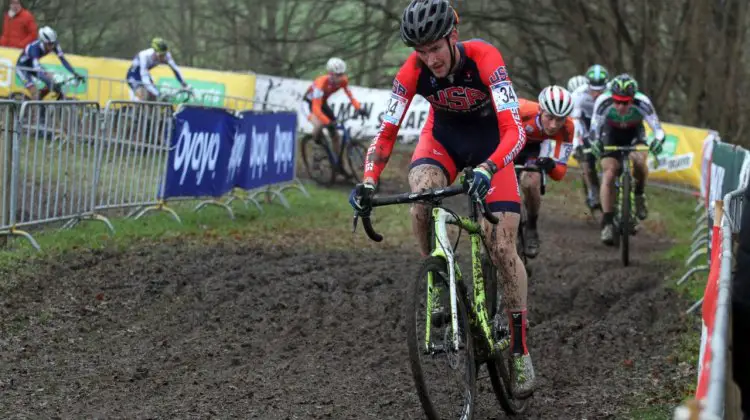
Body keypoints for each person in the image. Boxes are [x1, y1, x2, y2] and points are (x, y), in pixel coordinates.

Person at [349, 0, 535, 398]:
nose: (429, 58)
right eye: (421, 50)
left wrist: (489, 168)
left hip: (493, 146)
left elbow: (515, 131)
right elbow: (385, 133)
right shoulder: (412, 71)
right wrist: (368, 181)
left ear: (453, 36)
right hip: (443, 141)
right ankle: (438, 278)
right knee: (421, 197)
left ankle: (520, 348)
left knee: (501, 246)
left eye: (435, 47)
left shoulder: (485, 57)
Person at [589, 73, 666, 245]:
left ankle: (639, 194)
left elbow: (658, 129)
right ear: (611, 97)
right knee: (609, 173)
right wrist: (595, 143)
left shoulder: (643, 102)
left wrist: (658, 141)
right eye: (617, 101)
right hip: (611, 134)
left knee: (639, 161)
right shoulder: (603, 101)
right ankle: (607, 222)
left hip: (634, 133)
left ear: (633, 99)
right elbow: (594, 128)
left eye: (625, 102)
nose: (621, 106)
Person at [515, 86, 575, 258]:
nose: (554, 125)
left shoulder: (568, 128)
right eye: (549, 117)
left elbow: (559, 174)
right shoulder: (521, 110)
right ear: (541, 110)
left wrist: (551, 166)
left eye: (560, 119)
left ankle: (532, 227)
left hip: (536, 150)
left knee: (531, 180)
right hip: (513, 142)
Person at [302, 57, 365, 156]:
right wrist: (327, 122)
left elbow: (351, 96)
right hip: (309, 104)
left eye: (342, 74)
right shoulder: (320, 84)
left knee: (335, 134)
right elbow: (316, 108)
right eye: (338, 75)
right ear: (330, 74)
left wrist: (359, 108)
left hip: (322, 103)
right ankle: (316, 148)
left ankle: (337, 164)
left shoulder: (343, 81)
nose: (341, 77)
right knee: (319, 125)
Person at [571, 64, 610, 210]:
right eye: (594, 90)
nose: (597, 94)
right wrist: (576, 144)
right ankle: (593, 190)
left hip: (607, 125)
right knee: (587, 161)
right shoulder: (578, 95)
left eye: (601, 91)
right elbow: (575, 121)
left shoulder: (612, 91)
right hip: (587, 126)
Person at [15, 26, 85, 100]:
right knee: (35, 91)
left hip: (32, 65)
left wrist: (74, 73)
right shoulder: (34, 48)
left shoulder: (54, 44)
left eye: (53, 43)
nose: (52, 46)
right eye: (49, 44)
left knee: (52, 82)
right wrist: (47, 79)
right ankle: (34, 106)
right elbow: (37, 68)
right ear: (43, 42)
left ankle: (40, 97)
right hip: (22, 68)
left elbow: (63, 60)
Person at [126, 37, 191, 102]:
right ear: (154, 52)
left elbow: (175, 69)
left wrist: (184, 84)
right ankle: (137, 109)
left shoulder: (166, 55)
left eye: (164, 55)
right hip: (133, 75)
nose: (163, 58)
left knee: (153, 99)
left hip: (144, 74)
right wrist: (158, 94)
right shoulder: (144, 56)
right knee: (144, 95)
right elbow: (145, 78)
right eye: (161, 55)